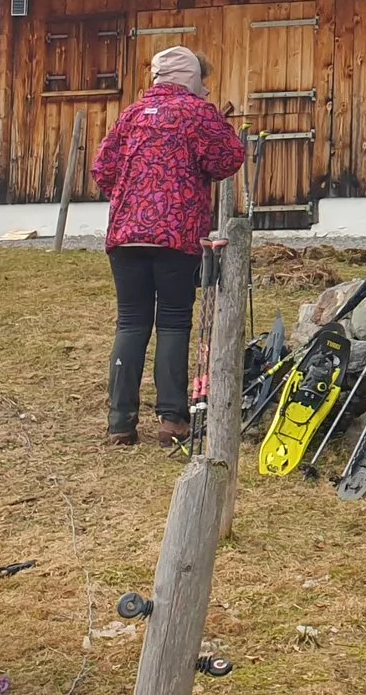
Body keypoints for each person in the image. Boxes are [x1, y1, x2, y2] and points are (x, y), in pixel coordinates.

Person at [92, 46, 245, 445]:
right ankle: (172, 418)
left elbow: (103, 169)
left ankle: (120, 422)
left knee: (130, 322)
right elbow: (229, 159)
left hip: (126, 235)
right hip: (177, 234)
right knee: (174, 321)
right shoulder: (197, 113)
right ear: (193, 77)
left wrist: (133, 196)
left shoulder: (133, 114)